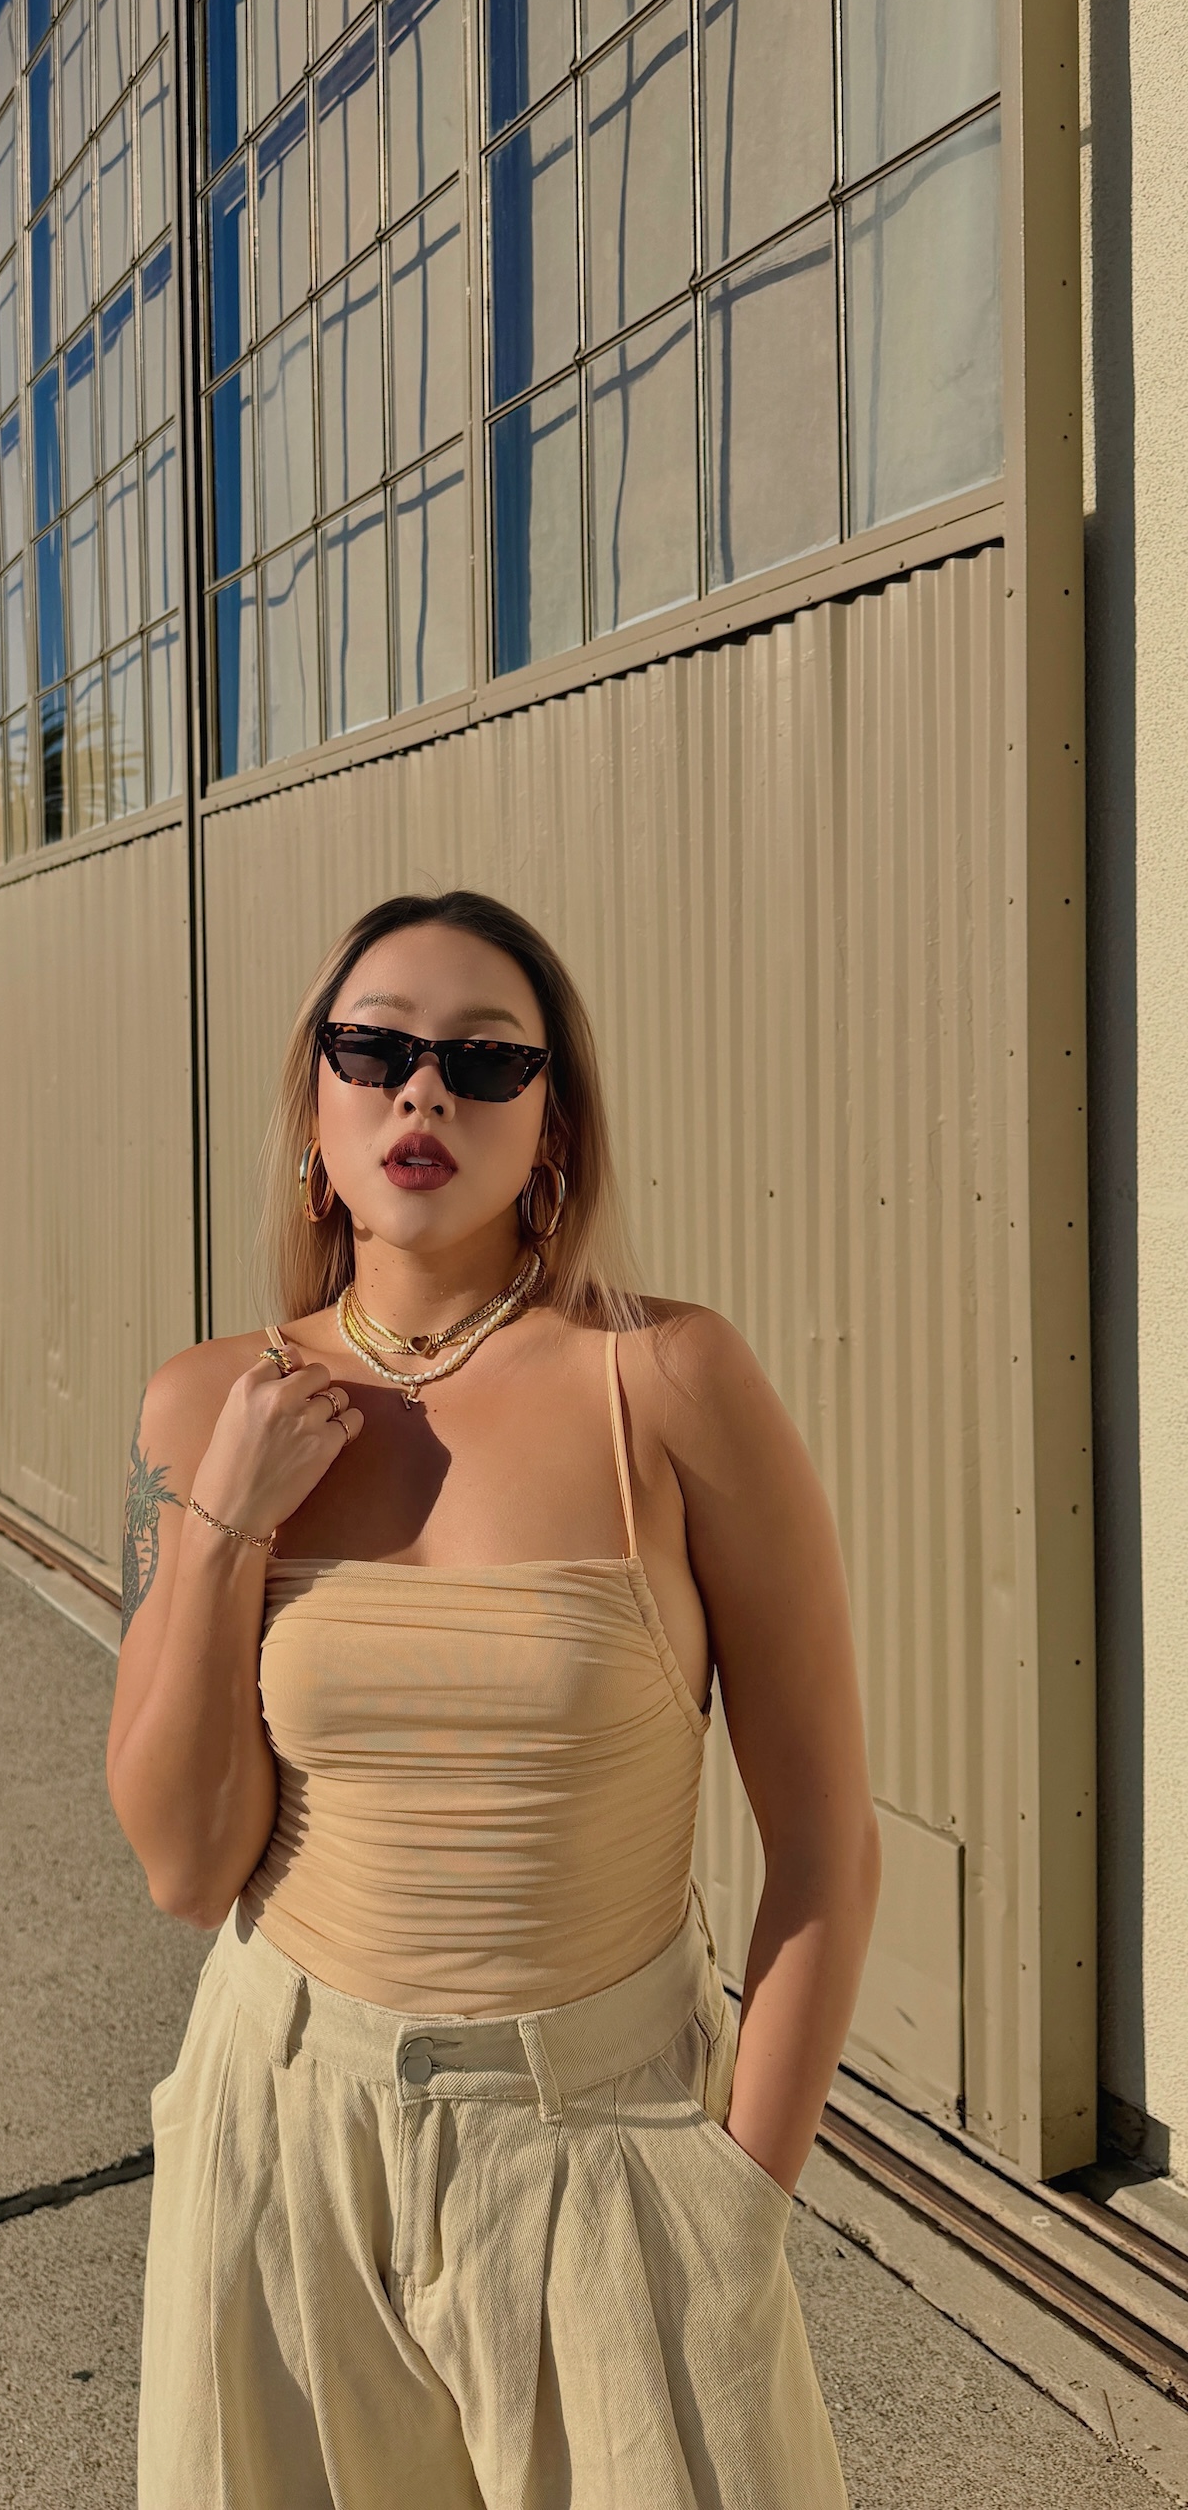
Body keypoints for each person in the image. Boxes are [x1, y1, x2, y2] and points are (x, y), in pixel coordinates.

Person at [108, 889, 878, 2507]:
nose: (423, 1090)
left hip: (610, 2156)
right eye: (374, 1050)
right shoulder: (207, 1405)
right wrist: (227, 1523)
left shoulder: (668, 1382)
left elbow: (824, 1841)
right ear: (315, 1110)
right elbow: (185, 1865)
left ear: (553, 1129)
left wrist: (739, 2202)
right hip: (284, 2147)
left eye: (484, 1060)